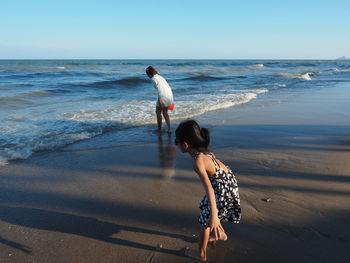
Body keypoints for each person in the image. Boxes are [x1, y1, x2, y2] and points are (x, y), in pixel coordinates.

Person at [174, 120, 241, 262]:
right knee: (207, 208)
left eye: (176, 142)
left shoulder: (198, 162)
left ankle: (201, 255)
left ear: (185, 145)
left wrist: (214, 216)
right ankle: (219, 234)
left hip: (221, 191)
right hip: (229, 186)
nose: (176, 144)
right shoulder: (207, 153)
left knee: (206, 222)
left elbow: (209, 188)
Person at [146, 66, 174, 133]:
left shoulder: (153, 79)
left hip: (163, 96)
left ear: (149, 74)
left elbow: (160, 88)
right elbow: (167, 86)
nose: (147, 76)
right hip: (170, 95)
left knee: (158, 112)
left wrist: (161, 99)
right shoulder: (160, 77)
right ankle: (169, 129)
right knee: (165, 112)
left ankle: (159, 129)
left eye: (147, 74)